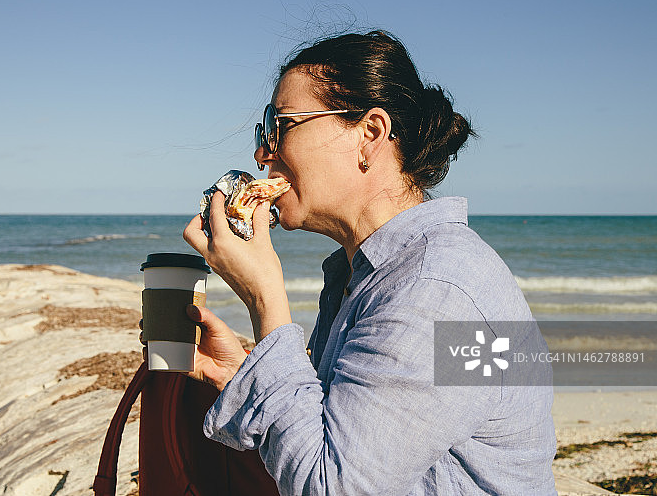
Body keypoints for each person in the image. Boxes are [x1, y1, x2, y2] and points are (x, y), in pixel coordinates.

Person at [181, 30, 557, 495]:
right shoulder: (366, 274)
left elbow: (328, 485)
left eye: (280, 125)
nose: (262, 153)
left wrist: (265, 296)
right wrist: (244, 373)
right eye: (265, 131)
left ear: (370, 135)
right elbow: (337, 431)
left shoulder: (436, 290)